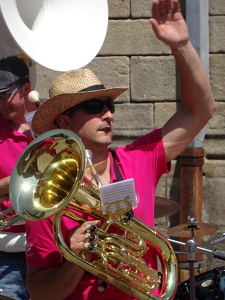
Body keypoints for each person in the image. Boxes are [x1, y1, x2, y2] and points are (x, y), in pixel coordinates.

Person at [24, 0, 216, 299]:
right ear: (65, 121)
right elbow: (39, 291)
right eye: (93, 106)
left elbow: (200, 111)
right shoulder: (46, 195)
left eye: (109, 105)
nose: (108, 114)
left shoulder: (139, 157)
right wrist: (76, 261)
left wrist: (181, 46)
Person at [0, 56, 37, 299]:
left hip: (49, 245)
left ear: (26, 89)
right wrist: (24, 173)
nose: (0, 103)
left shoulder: (53, 122)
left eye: (5, 95)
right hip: (8, 249)